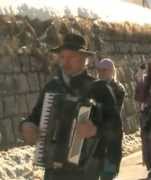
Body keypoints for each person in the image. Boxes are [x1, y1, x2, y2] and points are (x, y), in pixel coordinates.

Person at [19, 33, 108, 180]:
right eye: (62, 57)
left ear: (84, 59)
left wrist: (95, 130)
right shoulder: (52, 86)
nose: (66, 62)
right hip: (53, 168)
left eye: (71, 57)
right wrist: (26, 125)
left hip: (85, 170)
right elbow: (35, 116)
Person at [93, 58, 125, 180]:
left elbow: (113, 110)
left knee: (108, 173)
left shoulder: (118, 88)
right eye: (99, 70)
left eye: (104, 70)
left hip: (112, 135)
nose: (100, 72)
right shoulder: (94, 87)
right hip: (96, 137)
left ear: (111, 71)